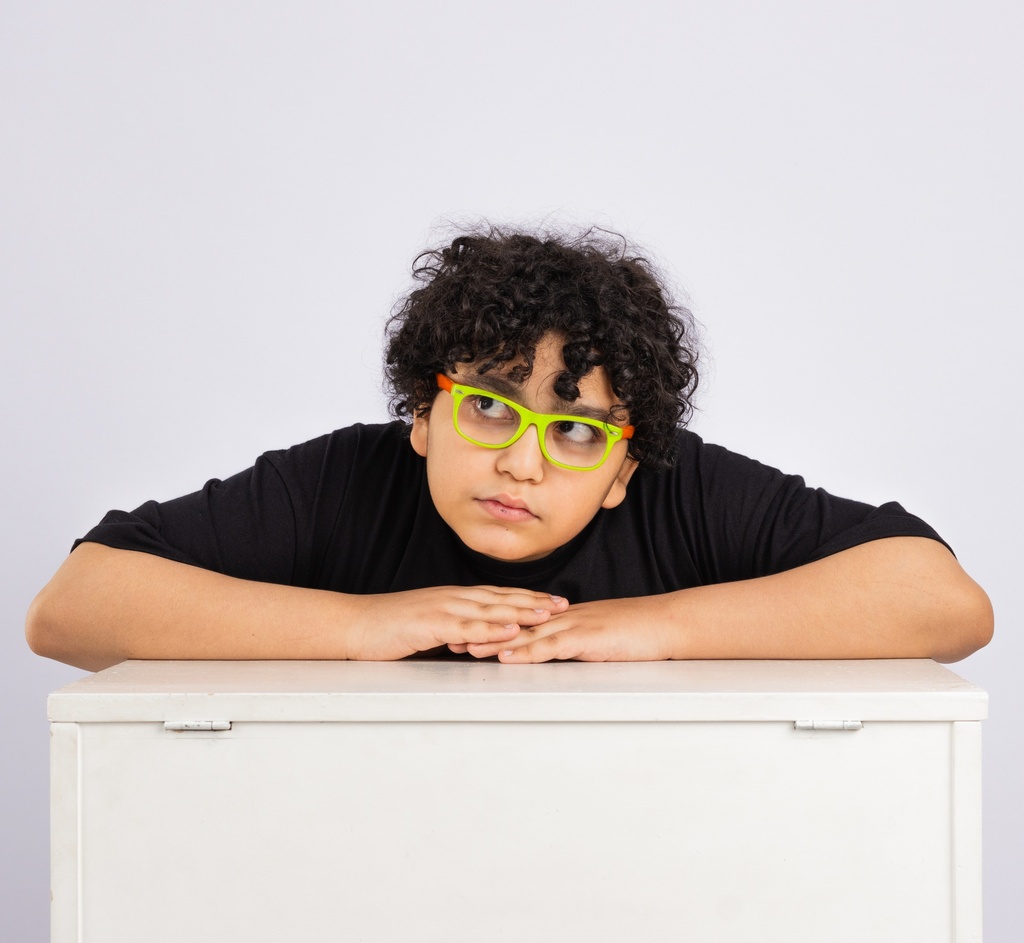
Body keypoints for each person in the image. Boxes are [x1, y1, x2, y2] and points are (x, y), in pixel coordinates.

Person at [26, 227, 993, 671]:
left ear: (624, 471)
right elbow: (73, 609)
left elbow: (944, 602)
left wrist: (661, 625)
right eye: (489, 408)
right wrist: (359, 625)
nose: (523, 463)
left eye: (574, 430)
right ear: (423, 412)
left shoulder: (681, 492)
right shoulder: (343, 479)